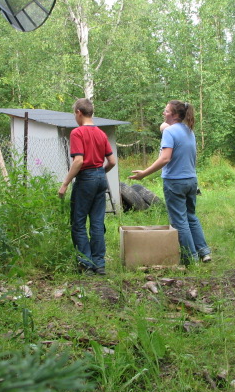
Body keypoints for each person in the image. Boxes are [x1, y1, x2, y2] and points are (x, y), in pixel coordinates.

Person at [129, 100, 211, 265]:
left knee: (180, 221)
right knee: (191, 217)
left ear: (174, 115)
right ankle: (204, 252)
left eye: (166, 111)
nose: (163, 113)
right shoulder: (189, 130)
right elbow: (163, 126)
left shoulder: (170, 132)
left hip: (175, 182)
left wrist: (144, 173)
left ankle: (190, 258)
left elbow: (165, 158)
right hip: (191, 180)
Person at [59, 98, 116, 275]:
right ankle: (100, 264)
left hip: (85, 179)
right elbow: (112, 161)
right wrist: (99, 174)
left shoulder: (77, 133)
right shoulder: (101, 133)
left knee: (78, 223)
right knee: (97, 223)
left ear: (78, 112)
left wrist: (65, 183)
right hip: (100, 177)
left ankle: (86, 264)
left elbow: (78, 161)